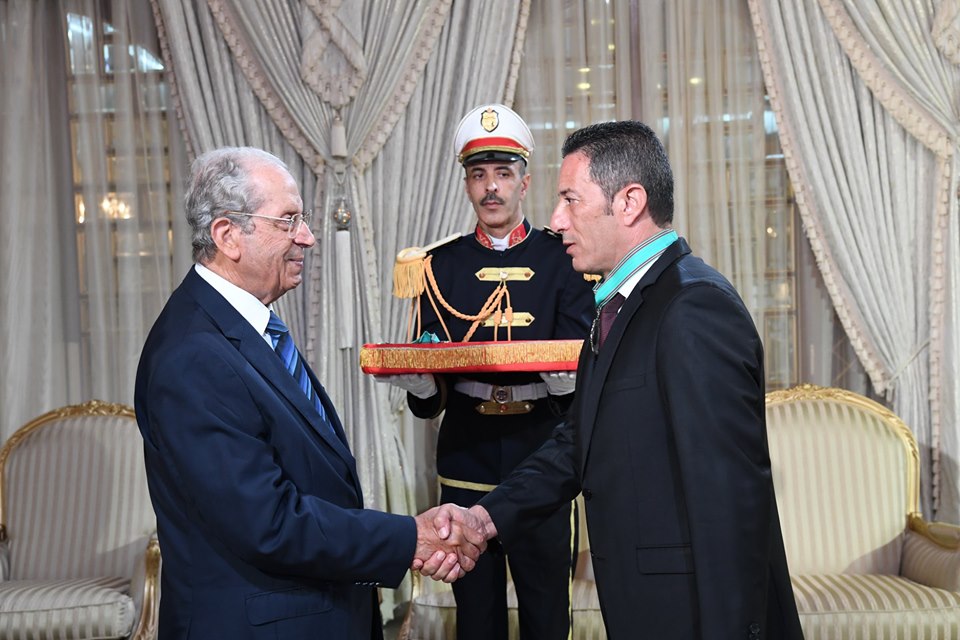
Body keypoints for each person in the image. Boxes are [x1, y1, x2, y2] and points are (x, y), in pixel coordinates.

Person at [437, 121, 804, 639]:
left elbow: (730, 508)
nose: (556, 219)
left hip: (689, 618)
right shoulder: (620, 304)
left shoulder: (694, 307)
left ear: (628, 202)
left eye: (570, 199)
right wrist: (485, 518)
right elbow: (576, 443)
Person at [134, 146, 482, 640]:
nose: (308, 237)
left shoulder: (243, 327)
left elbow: (314, 482)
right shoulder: (193, 355)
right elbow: (268, 523)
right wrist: (410, 537)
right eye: (288, 220)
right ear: (227, 236)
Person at [379, 104, 595, 640]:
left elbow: (582, 386)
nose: (490, 188)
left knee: (547, 613)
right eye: (479, 175)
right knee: (476, 618)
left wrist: (566, 383)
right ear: (468, 185)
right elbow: (428, 403)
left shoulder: (562, 257)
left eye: (502, 174)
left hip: (542, 455)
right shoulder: (439, 265)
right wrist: (422, 383)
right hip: (467, 451)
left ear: (525, 181)